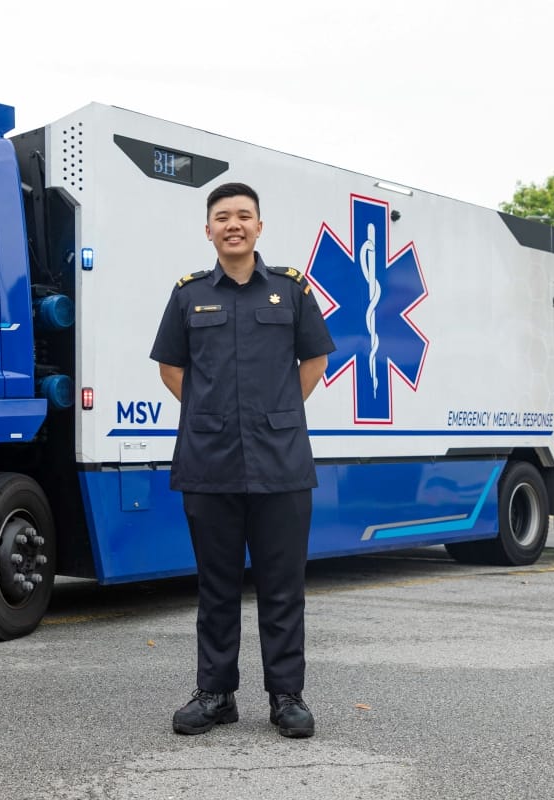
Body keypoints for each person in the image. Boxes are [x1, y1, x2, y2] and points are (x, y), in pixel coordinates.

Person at [150, 182, 335, 739]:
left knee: (283, 585)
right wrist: (215, 413)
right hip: (210, 460)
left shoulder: (290, 290)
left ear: (259, 227)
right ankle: (216, 694)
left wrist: (273, 412)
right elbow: (171, 369)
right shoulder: (187, 296)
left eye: (244, 217)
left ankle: (286, 697)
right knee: (217, 585)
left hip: (280, 461)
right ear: (208, 230)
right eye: (222, 217)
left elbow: (315, 359)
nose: (234, 225)